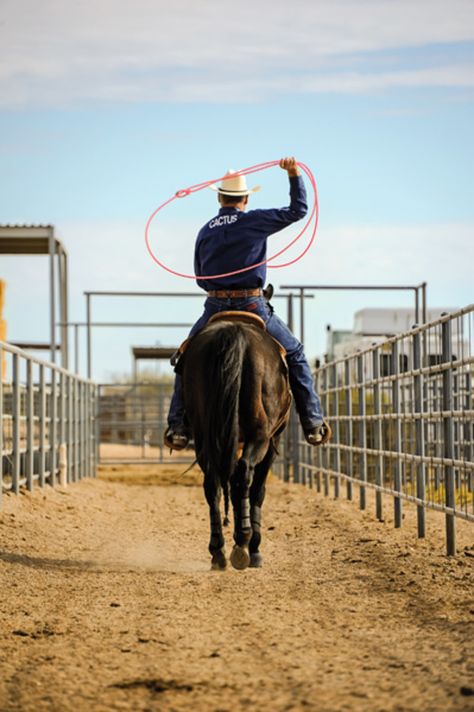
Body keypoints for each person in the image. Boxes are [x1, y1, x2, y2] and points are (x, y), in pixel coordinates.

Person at [165, 156, 329, 450]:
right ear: (244, 198)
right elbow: (298, 210)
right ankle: (313, 422)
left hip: (215, 307)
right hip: (252, 306)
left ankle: (178, 426)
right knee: (296, 354)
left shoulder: (205, 230)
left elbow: (201, 277)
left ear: (219, 197)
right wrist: (293, 174)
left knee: (186, 359)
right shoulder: (254, 220)